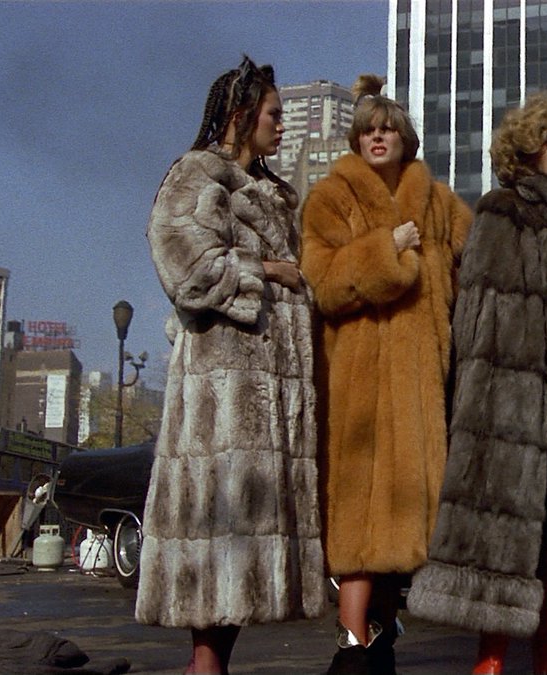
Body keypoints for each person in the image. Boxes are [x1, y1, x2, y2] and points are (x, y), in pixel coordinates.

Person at [404, 92, 547, 675]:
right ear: (526, 147)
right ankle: (491, 661)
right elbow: (483, 304)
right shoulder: (501, 210)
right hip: (511, 400)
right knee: (505, 536)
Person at [137, 56, 325, 675]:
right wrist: (264, 270)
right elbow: (185, 265)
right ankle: (204, 668)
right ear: (242, 114)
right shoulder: (197, 174)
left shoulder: (273, 193)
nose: (282, 125)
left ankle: (207, 667)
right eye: (274, 114)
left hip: (267, 398)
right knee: (217, 543)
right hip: (220, 400)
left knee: (241, 556)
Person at [300, 74, 472, 675]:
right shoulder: (330, 197)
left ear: (405, 138)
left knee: (405, 526)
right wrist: (386, 248)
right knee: (358, 527)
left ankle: (382, 646)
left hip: (422, 383)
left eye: (388, 130)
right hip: (359, 382)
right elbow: (323, 282)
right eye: (368, 130)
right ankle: (351, 648)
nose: (378, 138)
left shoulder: (440, 202)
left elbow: (480, 260)